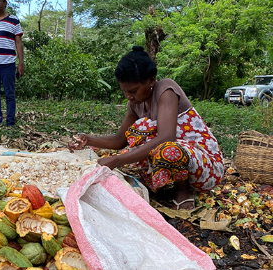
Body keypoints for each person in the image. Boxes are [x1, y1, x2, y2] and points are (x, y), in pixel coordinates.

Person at [69, 46, 225, 210]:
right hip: (177, 157)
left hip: (206, 168)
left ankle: (183, 191)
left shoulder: (166, 89)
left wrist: (117, 160)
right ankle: (163, 186)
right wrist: (88, 140)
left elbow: (166, 137)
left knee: (165, 148)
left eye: (134, 91)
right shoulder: (135, 104)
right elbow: (120, 140)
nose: (129, 96)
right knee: (136, 142)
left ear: (151, 80)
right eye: (125, 92)